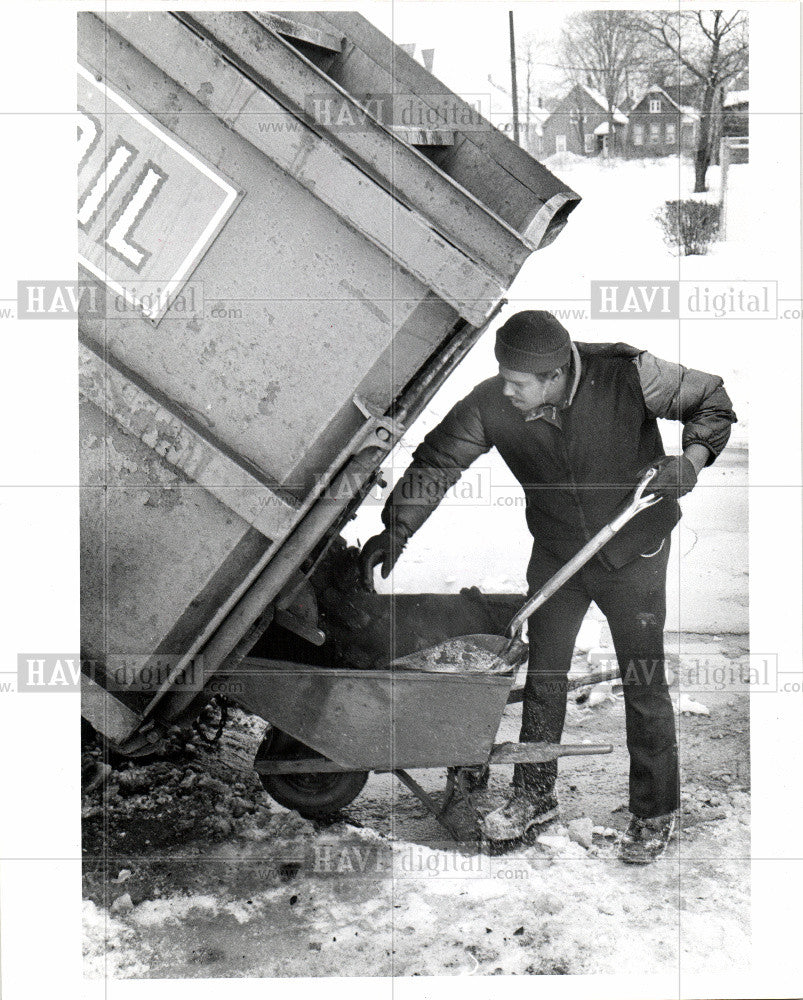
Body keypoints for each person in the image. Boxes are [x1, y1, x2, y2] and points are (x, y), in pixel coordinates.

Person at [359, 310, 736, 864]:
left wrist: (692, 461)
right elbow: (439, 460)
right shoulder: (493, 403)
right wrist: (396, 527)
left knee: (643, 677)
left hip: (636, 549)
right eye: (503, 377)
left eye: (519, 382)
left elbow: (713, 400)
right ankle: (534, 796)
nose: (506, 390)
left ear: (556, 374)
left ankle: (655, 809)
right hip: (560, 552)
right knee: (545, 674)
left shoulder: (629, 374)